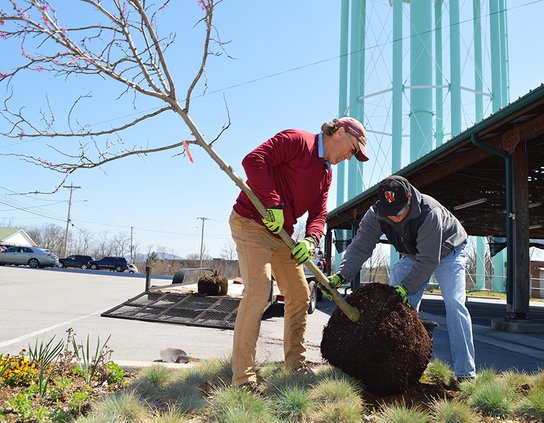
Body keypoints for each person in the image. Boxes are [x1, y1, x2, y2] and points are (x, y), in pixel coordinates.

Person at [230, 117, 369, 389]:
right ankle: (243, 377)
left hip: (282, 235)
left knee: (299, 294)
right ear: (340, 132)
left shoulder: (325, 174)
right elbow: (253, 161)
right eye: (352, 149)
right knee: (258, 291)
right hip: (251, 223)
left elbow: (319, 214)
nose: (349, 157)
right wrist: (273, 204)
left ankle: (295, 365)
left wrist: (311, 240)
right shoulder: (297, 140)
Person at [330, 175, 476, 380]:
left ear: (409, 198)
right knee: (394, 308)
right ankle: (396, 369)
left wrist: (406, 288)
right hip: (412, 254)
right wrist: (342, 274)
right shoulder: (376, 214)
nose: (395, 218)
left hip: (448, 251)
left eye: (399, 212)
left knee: (454, 305)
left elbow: (428, 261)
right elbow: (361, 245)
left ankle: (465, 373)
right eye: (390, 214)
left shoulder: (429, 212)